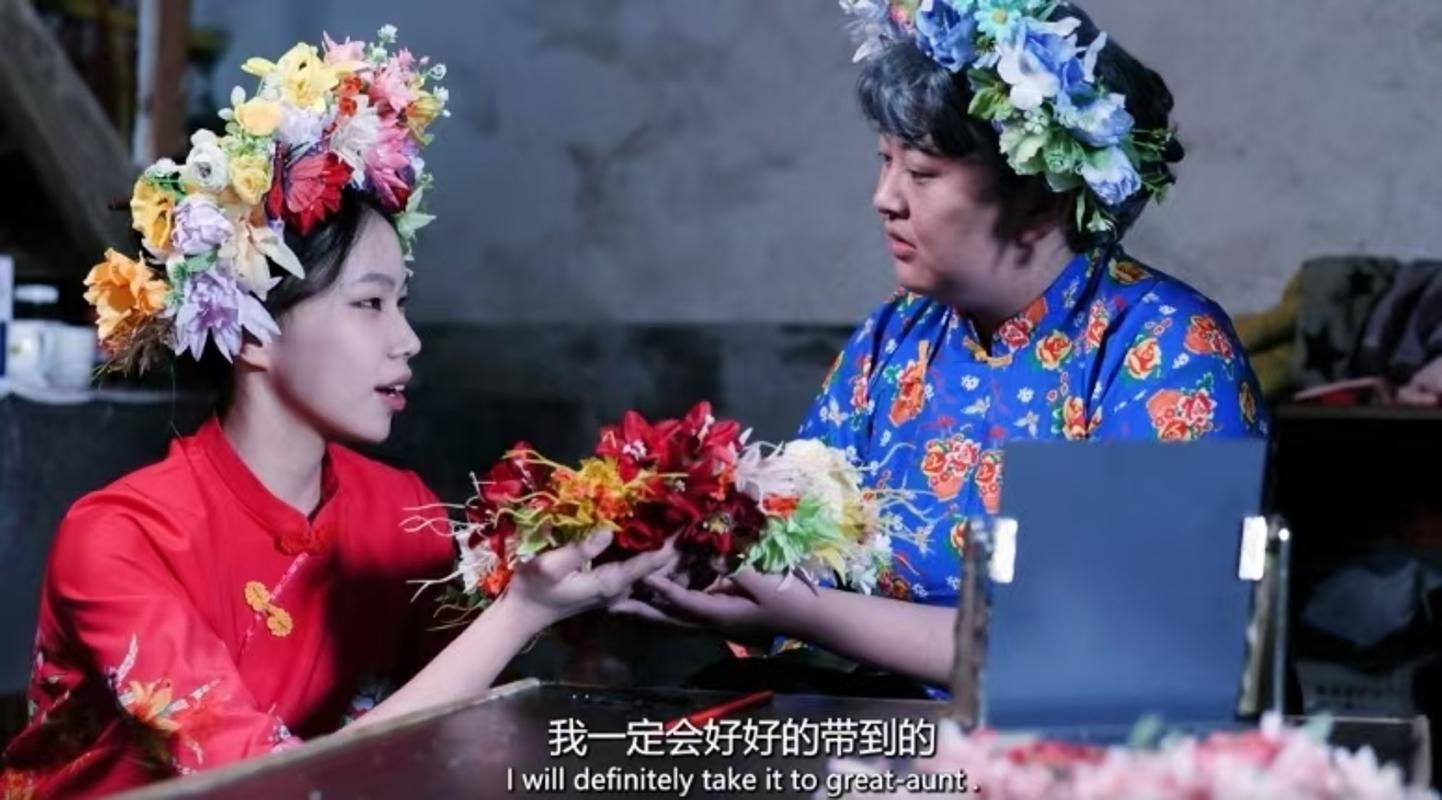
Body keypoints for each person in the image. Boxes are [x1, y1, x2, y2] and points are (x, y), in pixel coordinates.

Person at [0, 27, 670, 798]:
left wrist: (601, 627)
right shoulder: (121, 538)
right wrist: (523, 610)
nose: (407, 340)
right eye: (370, 304)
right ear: (253, 332)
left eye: (402, 303)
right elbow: (259, 784)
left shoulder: (403, 514)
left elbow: (471, 737)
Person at [614, 1, 1270, 694]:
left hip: (1078, 741)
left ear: (1041, 197)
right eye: (884, 162)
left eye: (922, 173)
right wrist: (692, 567)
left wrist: (800, 610)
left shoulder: (1159, 346)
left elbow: (1128, 649)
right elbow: (801, 559)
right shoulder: (892, 340)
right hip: (896, 732)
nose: (885, 198)